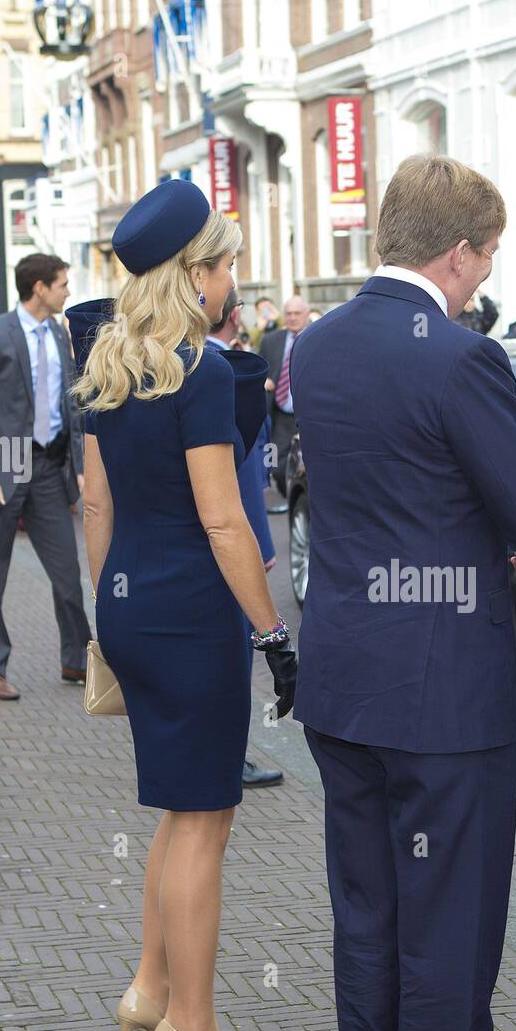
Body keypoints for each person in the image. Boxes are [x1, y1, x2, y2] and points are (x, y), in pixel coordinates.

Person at [290, 152, 516, 1031]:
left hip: (344, 688)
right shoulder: (459, 357)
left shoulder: (311, 348)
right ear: (456, 253)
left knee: (368, 930)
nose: (481, 278)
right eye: (485, 258)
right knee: (447, 938)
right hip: (442, 702)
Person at [69, 179, 297, 1031]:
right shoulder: (196, 371)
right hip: (193, 617)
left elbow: (94, 502)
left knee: (175, 807)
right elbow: (225, 524)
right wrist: (274, 629)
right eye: (226, 263)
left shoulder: (107, 366)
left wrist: (114, 602)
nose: (232, 277)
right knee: (206, 818)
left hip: (128, 607)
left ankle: (150, 986)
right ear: (193, 274)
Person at [0, 254, 91, 701]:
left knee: (69, 574)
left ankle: (77, 660)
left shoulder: (57, 332)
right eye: (63, 284)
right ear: (38, 288)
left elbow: (69, 405)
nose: (68, 292)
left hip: (50, 470)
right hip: (4, 466)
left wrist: (82, 469)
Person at [204, 288, 284, 791]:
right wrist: (263, 548)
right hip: (224, 535)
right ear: (236, 316)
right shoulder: (227, 372)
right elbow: (247, 468)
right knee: (231, 651)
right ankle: (229, 757)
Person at [256, 294, 310, 497]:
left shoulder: (316, 336)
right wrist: (263, 381)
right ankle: (290, 496)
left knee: (309, 464)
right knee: (276, 464)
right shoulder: (271, 340)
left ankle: (303, 499)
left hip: (308, 413)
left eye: (297, 313)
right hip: (281, 414)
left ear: (306, 314)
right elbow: (259, 369)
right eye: (289, 313)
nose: (293, 317)